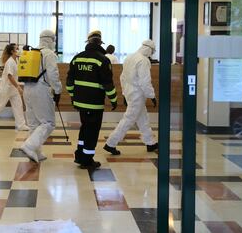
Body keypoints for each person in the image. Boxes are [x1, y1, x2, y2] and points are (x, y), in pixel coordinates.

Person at [66, 30, 118, 169]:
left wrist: (72, 96)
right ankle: (87, 160)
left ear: (88, 43)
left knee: (85, 128)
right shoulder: (102, 60)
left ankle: (80, 155)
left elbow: (69, 82)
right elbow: (108, 84)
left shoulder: (77, 58)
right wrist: (113, 99)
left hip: (79, 102)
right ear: (100, 43)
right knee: (92, 131)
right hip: (94, 103)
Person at [103, 39, 158, 155]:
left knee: (143, 119)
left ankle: (150, 143)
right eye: (152, 52)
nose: (151, 54)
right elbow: (145, 81)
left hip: (130, 93)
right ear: (149, 49)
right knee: (128, 119)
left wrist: (124, 93)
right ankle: (110, 143)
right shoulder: (143, 61)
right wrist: (152, 96)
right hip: (138, 94)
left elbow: (122, 77)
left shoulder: (130, 57)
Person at [20, 29, 62, 163]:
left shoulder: (31, 52)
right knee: (48, 123)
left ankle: (36, 152)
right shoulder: (49, 54)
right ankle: (29, 146)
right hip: (41, 90)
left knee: (33, 123)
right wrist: (58, 89)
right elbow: (53, 74)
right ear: (51, 40)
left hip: (27, 88)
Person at [0, 43, 29, 131]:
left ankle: (21, 125)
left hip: (13, 89)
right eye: (17, 49)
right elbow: (10, 76)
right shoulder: (10, 62)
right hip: (6, 89)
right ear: (12, 51)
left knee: (18, 105)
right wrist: (18, 87)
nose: (19, 50)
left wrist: (16, 87)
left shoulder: (16, 60)